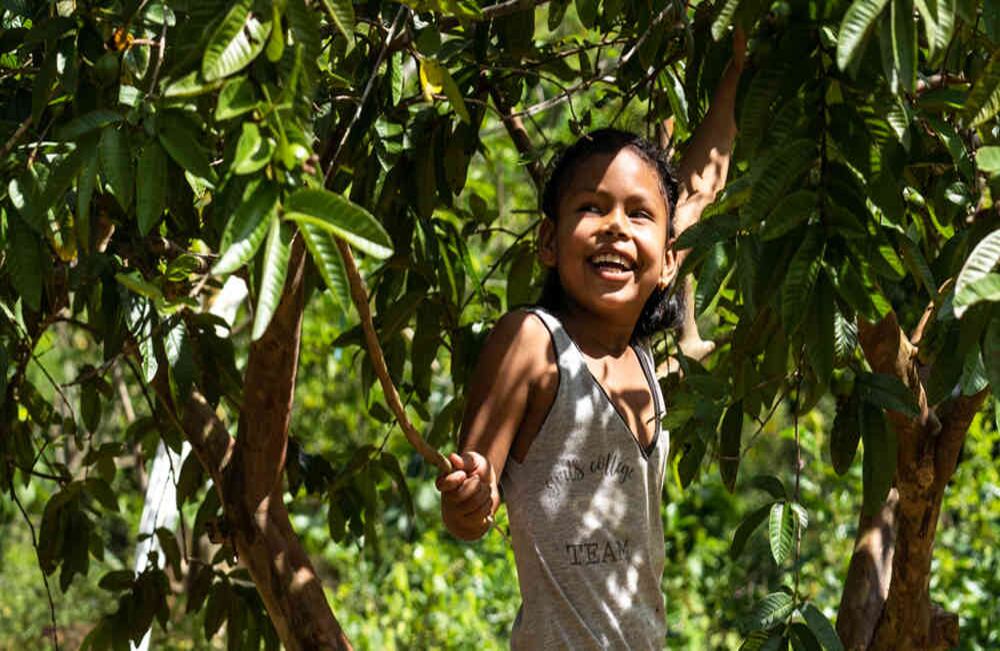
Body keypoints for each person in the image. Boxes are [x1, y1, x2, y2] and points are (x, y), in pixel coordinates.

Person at [436, 34, 745, 650]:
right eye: (591, 208)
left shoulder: (644, 360)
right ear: (549, 243)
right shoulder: (532, 342)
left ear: (668, 259)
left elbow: (702, 187)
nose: (615, 229)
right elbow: (468, 506)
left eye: (638, 214)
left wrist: (738, 65)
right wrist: (468, 497)